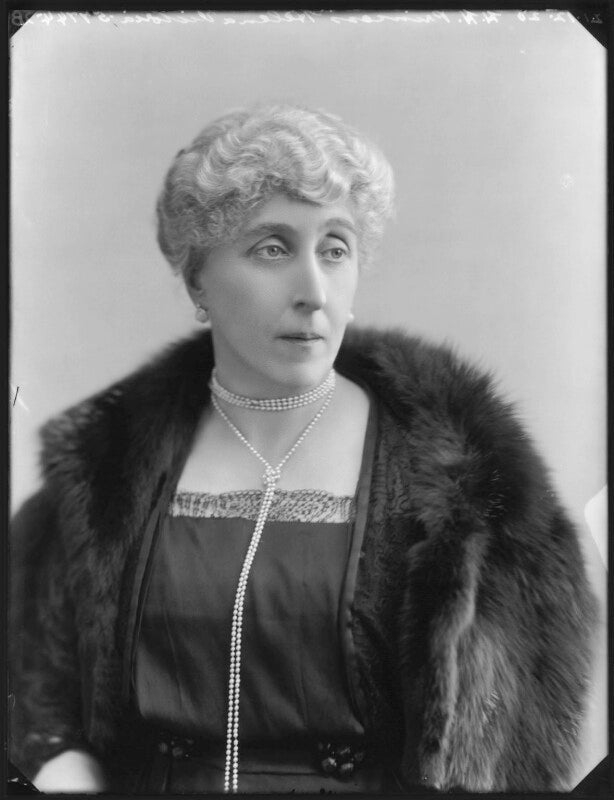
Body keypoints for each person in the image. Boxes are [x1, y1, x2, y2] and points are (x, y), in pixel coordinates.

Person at [10, 103, 597, 794]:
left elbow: (513, 752)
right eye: (272, 248)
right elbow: (36, 688)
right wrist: (60, 767)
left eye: (336, 249)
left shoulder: (478, 501)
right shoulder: (103, 474)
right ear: (197, 279)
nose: (314, 292)